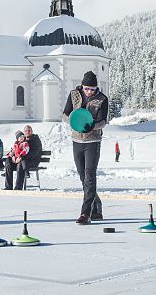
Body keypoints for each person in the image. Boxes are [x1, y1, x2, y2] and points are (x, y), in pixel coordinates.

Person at [62, 71, 108, 225]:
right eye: (87, 88)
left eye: (92, 89)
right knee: (83, 176)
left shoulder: (102, 99)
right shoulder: (74, 94)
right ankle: (96, 206)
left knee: (89, 175)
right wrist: (73, 121)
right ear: (82, 86)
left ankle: (85, 213)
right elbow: (64, 114)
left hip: (93, 141)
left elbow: (103, 121)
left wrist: (93, 126)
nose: (89, 92)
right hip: (77, 140)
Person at [5, 125, 41, 190]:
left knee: (20, 164)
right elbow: (15, 150)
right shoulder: (21, 141)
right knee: (8, 161)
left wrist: (21, 157)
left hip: (32, 161)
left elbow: (34, 153)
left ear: (32, 131)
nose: (27, 132)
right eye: (25, 130)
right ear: (23, 132)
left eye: (29, 130)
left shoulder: (35, 139)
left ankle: (18, 188)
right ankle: (8, 187)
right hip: (21, 160)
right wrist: (13, 157)